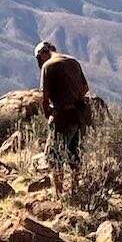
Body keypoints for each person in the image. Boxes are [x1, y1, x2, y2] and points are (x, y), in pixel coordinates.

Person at [34, 40, 90, 197]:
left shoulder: (48, 66)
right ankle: (75, 190)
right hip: (78, 117)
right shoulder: (73, 61)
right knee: (74, 155)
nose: (39, 62)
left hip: (62, 117)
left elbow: (44, 98)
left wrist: (49, 114)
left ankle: (59, 195)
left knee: (55, 155)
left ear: (42, 54)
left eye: (38, 59)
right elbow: (85, 88)